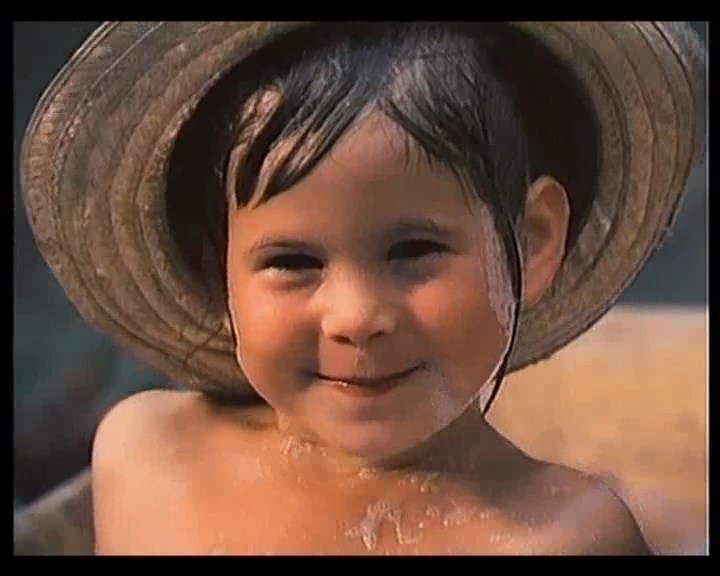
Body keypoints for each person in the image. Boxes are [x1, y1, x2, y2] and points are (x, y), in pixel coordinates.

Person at [20, 22, 705, 555]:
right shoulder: (147, 458)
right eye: (292, 261)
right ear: (216, 268)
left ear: (532, 241)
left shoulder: (561, 536)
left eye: (414, 251)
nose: (355, 317)